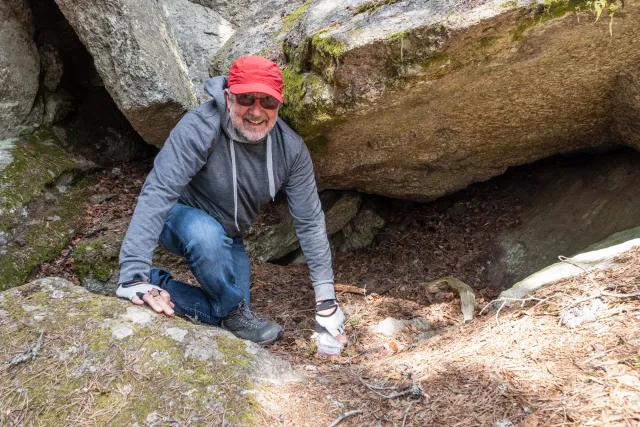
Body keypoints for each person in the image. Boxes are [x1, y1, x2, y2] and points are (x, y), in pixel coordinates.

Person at [115, 56, 347, 349]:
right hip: (179, 217)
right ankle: (138, 279)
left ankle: (156, 285)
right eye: (246, 98)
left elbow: (310, 220)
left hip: (229, 235)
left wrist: (326, 301)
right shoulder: (201, 126)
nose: (256, 111)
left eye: (268, 102)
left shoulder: (291, 149)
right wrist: (133, 269)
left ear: (280, 103)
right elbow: (159, 190)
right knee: (205, 235)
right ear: (227, 97)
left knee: (232, 312)